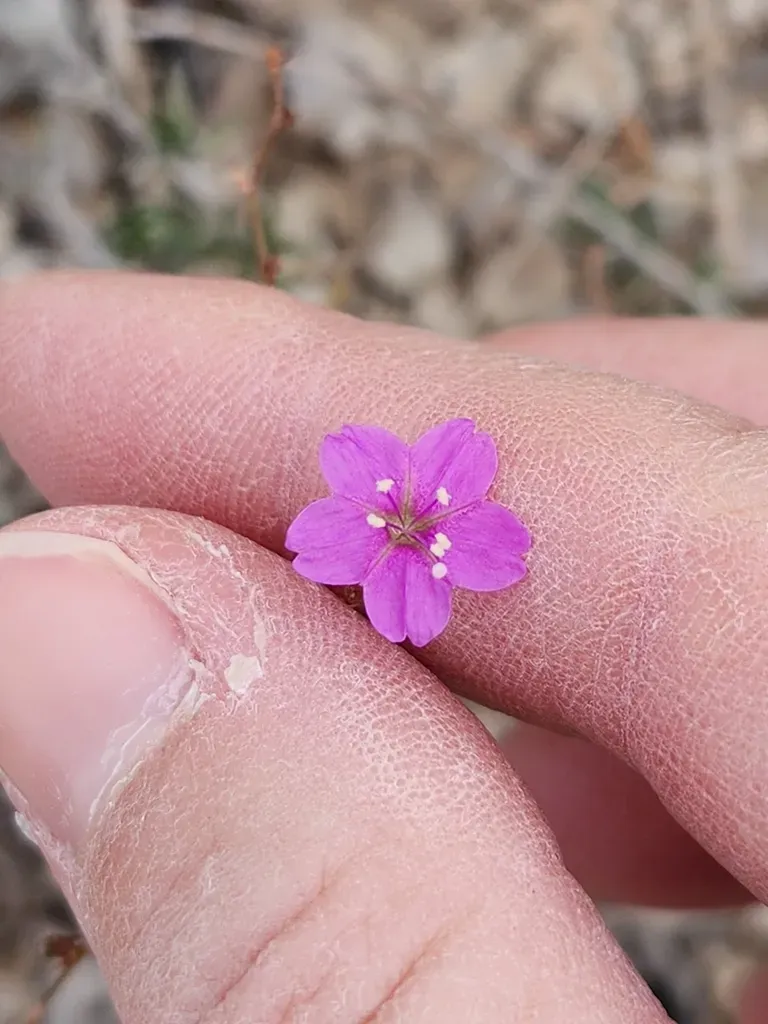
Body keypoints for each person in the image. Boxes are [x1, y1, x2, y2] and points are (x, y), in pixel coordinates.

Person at [0, 270, 767, 1023]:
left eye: (413, 524)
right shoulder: (373, 498)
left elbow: (483, 535)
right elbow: (350, 511)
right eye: (398, 521)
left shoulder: (443, 521)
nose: (406, 528)